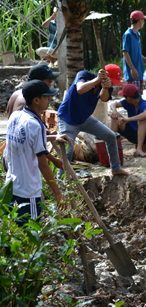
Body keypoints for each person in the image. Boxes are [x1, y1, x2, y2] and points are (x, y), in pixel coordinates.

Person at [4, 80, 71, 226]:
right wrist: (58, 193)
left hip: (11, 186)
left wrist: (53, 153)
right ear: (36, 100)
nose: (49, 99)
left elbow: (29, 143)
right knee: (31, 238)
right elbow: (42, 165)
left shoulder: (15, 117)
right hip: (28, 192)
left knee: (14, 233)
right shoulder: (36, 125)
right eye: (46, 97)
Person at [57, 64, 131, 177]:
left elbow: (104, 98)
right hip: (68, 119)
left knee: (111, 136)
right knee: (67, 152)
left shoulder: (107, 86)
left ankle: (116, 168)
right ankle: (60, 184)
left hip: (85, 119)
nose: (112, 84)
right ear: (104, 76)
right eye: (112, 81)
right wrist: (97, 80)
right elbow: (80, 89)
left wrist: (105, 87)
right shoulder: (84, 75)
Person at [5, 64, 66, 171]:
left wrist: (48, 133)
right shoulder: (28, 103)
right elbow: (27, 140)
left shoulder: (17, 94)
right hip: (18, 161)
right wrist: (54, 160)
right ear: (39, 82)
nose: (49, 87)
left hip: (11, 155)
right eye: (49, 82)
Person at [110, 84, 146, 157]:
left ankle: (139, 149)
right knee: (114, 117)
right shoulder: (128, 102)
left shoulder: (144, 103)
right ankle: (111, 148)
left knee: (142, 120)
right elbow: (113, 104)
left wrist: (128, 119)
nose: (124, 99)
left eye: (125, 97)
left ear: (129, 98)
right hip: (134, 134)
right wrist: (114, 111)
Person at [122, 10, 146, 94]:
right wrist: (132, 68)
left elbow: (137, 54)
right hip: (132, 75)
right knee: (133, 101)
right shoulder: (128, 35)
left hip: (139, 73)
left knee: (138, 101)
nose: (143, 22)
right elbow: (125, 53)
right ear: (140, 20)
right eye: (143, 20)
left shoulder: (137, 35)